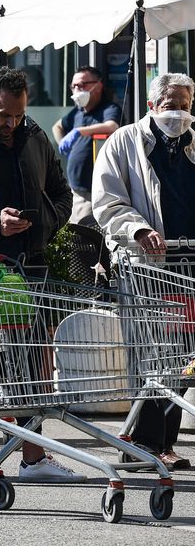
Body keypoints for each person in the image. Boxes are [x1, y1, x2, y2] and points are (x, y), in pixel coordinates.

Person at [0, 67, 82, 487]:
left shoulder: (33, 136)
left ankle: (33, 456)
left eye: (19, 114)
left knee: (30, 368)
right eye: (5, 114)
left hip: (30, 265)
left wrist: (44, 222)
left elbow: (62, 192)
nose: (12, 123)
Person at [93, 72, 195, 471]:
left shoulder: (192, 141)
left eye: (185, 105)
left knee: (182, 356)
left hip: (188, 262)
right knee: (151, 354)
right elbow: (107, 201)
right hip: (145, 265)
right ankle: (146, 442)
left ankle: (155, 440)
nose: (179, 113)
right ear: (152, 105)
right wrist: (138, 228)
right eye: (171, 105)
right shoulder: (124, 141)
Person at [52, 66, 121, 226]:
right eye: (74, 86)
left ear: (98, 86)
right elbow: (57, 127)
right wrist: (62, 142)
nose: (77, 89)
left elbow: (112, 126)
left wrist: (79, 131)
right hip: (76, 189)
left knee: (88, 238)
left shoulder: (109, 109)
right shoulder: (77, 112)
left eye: (82, 85)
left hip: (94, 191)